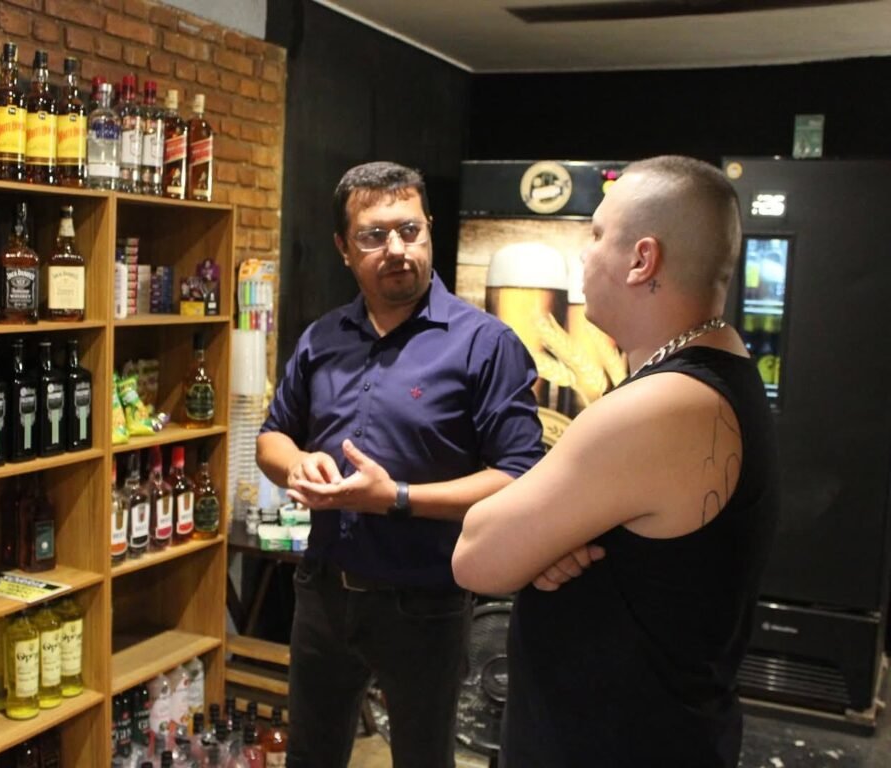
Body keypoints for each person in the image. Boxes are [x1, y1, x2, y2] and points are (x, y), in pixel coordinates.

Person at [453, 155, 778, 767]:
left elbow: (475, 555)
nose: (585, 253)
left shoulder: (661, 406)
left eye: (598, 233)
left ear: (642, 259)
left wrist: (540, 544)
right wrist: (548, 541)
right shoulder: (719, 370)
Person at [256, 160, 544, 768]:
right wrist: (297, 465)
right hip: (323, 589)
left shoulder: (484, 343)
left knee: (422, 759)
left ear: (429, 229)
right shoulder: (321, 338)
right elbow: (272, 437)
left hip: (428, 599)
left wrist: (396, 497)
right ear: (343, 248)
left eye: (410, 230)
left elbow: (519, 477)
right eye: (373, 235)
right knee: (310, 757)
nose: (396, 249)